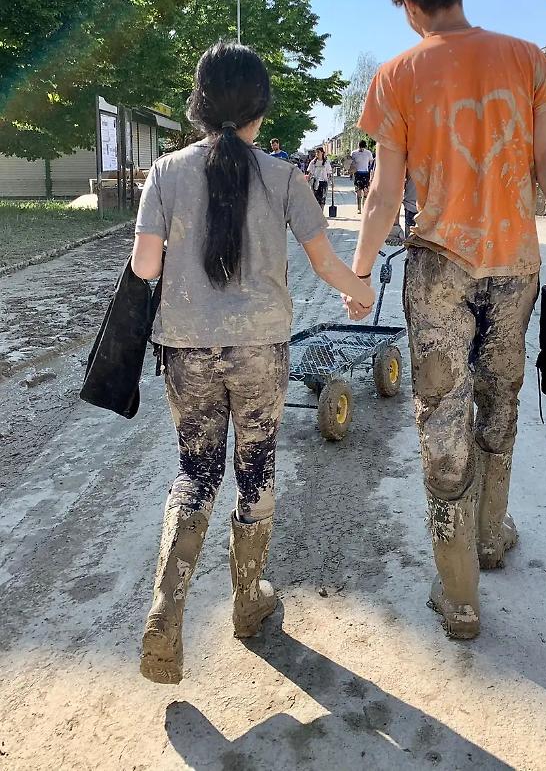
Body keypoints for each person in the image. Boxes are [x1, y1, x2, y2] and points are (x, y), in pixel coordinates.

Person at [343, 0, 546, 640]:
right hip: (513, 265)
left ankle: (457, 590)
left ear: (407, 5)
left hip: (437, 266)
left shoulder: (397, 75)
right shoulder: (527, 60)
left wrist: (357, 271)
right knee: (500, 395)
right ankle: (490, 535)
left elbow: (383, 191)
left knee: (440, 415)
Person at [132, 42, 375, 685]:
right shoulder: (288, 178)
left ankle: (166, 609)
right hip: (260, 347)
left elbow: (145, 268)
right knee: (256, 466)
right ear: (259, 109)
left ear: (200, 103)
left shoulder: (163, 173)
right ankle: (248, 600)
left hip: (185, 346)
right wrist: (360, 290)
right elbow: (326, 262)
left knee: (194, 472)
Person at [350, 140, 374, 214]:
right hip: (357, 173)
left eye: (363, 147)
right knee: (358, 191)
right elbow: (351, 163)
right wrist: (351, 172)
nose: (361, 149)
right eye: (360, 147)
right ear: (358, 146)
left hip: (366, 173)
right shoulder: (354, 153)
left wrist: (371, 172)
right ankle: (359, 208)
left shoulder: (368, 153)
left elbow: (371, 162)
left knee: (366, 191)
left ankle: (365, 207)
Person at [307, 147, 332, 211]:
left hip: (323, 182)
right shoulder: (313, 162)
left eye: (318, 152)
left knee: (322, 199)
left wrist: (331, 182)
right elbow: (310, 173)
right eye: (316, 152)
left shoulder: (326, 162)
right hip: (315, 182)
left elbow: (329, 173)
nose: (317, 153)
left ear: (322, 153)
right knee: (316, 199)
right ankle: (317, 213)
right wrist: (307, 182)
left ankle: (321, 213)